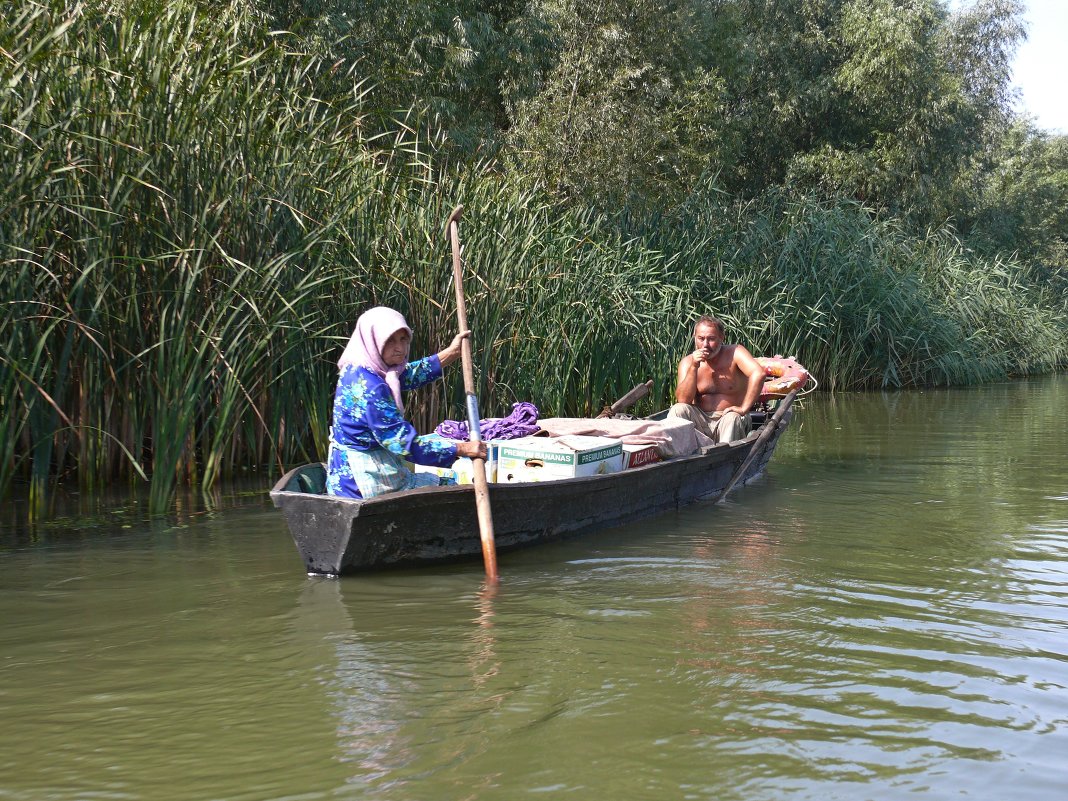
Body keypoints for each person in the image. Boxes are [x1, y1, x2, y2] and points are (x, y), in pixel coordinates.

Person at [326, 306, 486, 499]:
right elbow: (403, 443)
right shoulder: (371, 387)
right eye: (390, 341)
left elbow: (405, 374)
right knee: (449, 483)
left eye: (403, 339)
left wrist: (451, 353)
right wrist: (463, 448)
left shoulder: (358, 368)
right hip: (362, 483)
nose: (400, 348)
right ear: (373, 341)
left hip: (342, 477)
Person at [668, 315, 765, 444]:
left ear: (721, 338)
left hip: (729, 418)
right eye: (701, 339)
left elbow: (758, 374)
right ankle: (677, 456)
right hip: (700, 420)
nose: (705, 345)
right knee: (677, 409)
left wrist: (744, 409)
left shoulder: (735, 352)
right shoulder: (687, 362)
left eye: (711, 339)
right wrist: (693, 368)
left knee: (732, 418)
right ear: (694, 338)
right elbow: (683, 400)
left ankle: (723, 458)